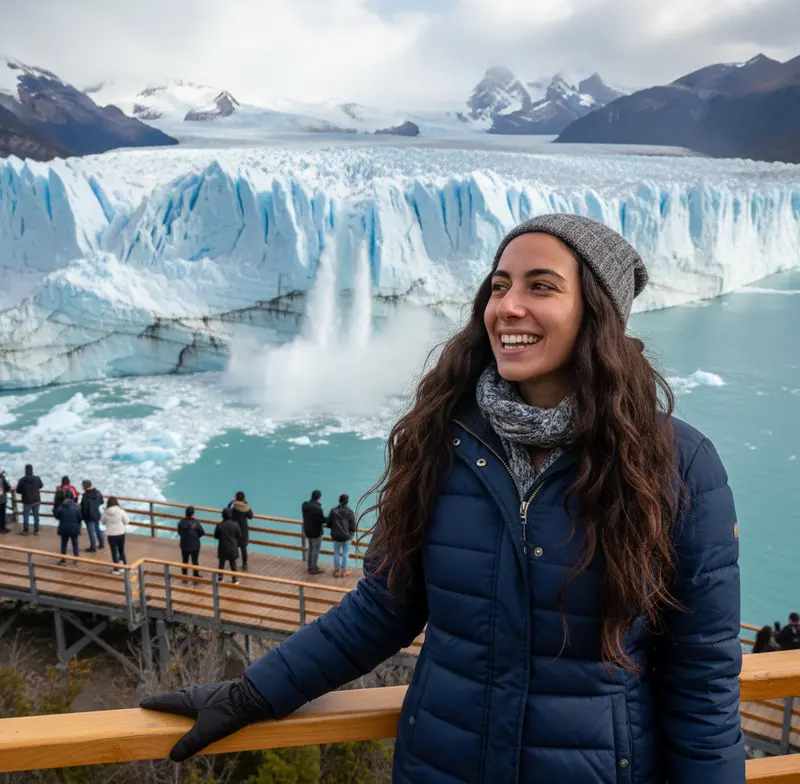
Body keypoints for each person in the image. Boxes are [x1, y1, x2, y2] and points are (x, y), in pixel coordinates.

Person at [141, 214, 744, 782]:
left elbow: (701, 680)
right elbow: (383, 606)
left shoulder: (675, 466)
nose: (507, 307)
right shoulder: (443, 440)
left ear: (597, 312)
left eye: (542, 286)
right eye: (499, 285)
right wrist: (255, 691)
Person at [326, 494, 356, 578]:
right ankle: (344, 571)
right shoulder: (349, 512)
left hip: (336, 536)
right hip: (346, 536)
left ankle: (336, 571)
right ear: (347, 501)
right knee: (345, 554)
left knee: (336, 553)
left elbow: (328, 523)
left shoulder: (333, 511)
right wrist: (350, 534)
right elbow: (353, 526)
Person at [101, 496, 129, 574]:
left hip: (111, 534)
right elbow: (126, 521)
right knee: (121, 550)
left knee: (114, 551)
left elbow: (102, 522)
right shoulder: (121, 511)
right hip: (120, 533)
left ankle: (116, 569)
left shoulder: (106, 512)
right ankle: (124, 566)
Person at [214, 508, 241, 584]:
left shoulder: (219, 525)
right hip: (232, 547)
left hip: (223, 547)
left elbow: (216, 536)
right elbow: (239, 535)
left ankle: (220, 578)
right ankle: (234, 579)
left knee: (221, 564)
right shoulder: (235, 524)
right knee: (233, 564)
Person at [228, 492, 253, 572]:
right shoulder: (245, 508)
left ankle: (234, 563)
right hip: (243, 530)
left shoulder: (234, 507)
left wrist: (231, 502)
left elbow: (228, 511)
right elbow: (251, 516)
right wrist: (246, 503)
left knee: (234, 547)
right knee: (243, 548)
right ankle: (244, 564)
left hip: (235, 529)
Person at [301, 490, 325, 574]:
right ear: (319, 498)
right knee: (315, 550)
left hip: (307, 531)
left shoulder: (305, 505)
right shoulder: (318, 509)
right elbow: (322, 520)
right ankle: (313, 567)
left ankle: (310, 566)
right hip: (316, 533)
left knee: (310, 548)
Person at [16, 464, 43, 536]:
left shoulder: (22, 480)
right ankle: (36, 530)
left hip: (27, 500)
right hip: (36, 500)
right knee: (36, 516)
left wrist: (24, 490)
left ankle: (25, 531)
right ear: (32, 470)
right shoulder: (37, 478)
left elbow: (18, 490)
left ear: (25, 470)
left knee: (26, 516)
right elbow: (41, 485)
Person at [178, 506, 205, 578]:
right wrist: (196, 537)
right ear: (193, 514)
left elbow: (179, 532)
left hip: (184, 545)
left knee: (184, 560)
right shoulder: (196, 523)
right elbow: (202, 532)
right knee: (195, 561)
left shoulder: (181, 522)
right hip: (194, 545)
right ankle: (195, 575)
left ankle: (184, 575)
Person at [55, 492, 81, 565]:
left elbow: (57, 516)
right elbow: (80, 517)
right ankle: (76, 560)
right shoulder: (77, 507)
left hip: (64, 527)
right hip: (74, 528)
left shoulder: (61, 507)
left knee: (64, 544)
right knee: (75, 544)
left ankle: (63, 559)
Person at [80, 480, 105, 552]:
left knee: (91, 532)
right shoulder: (97, 492)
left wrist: (82, 516)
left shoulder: (85, 495)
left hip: (89, 516)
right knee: (97, 528)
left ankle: (93, 547)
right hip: (97, 514)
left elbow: (84, 508)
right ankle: (101, 543)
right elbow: (102, 501)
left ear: (84, 486)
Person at [0, 468, 10, 534]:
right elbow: (7, 487)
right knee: (2, 514)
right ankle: (2, 528)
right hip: (2, 499)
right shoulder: (2, 477)